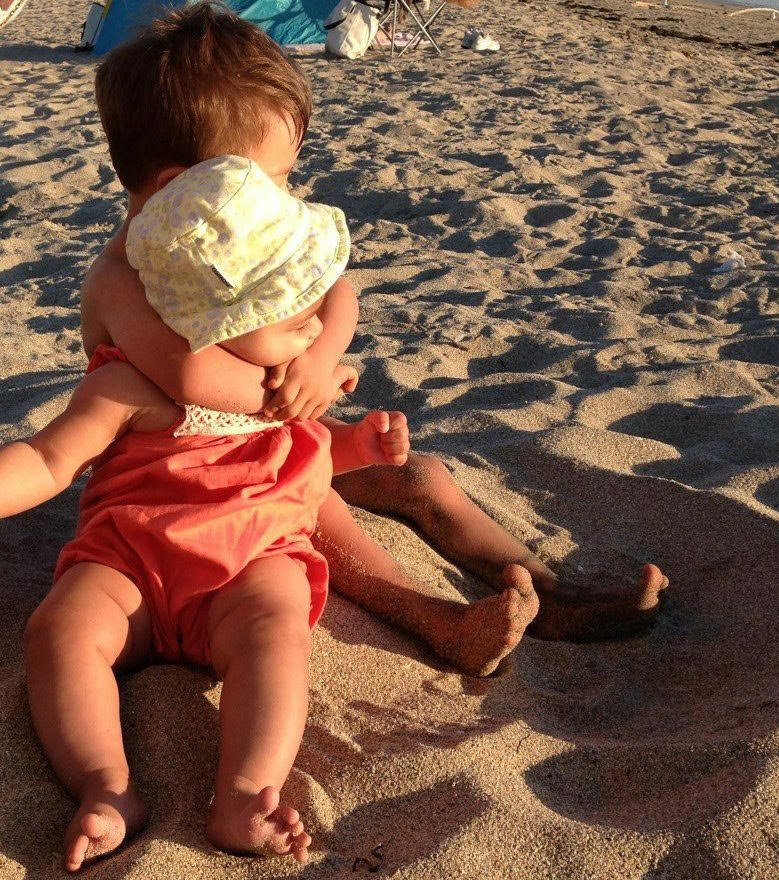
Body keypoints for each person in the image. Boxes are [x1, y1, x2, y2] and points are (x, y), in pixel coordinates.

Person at [81, 2, 666, 665]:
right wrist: (302, 387)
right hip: (197, 472)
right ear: (179, 186)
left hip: (275, 435)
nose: (287, 197)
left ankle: (549, 592)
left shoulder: (238, 233)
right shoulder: (118, 281)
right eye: (272, 182)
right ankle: (436, 619)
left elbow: (338, 292)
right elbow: (191, 378)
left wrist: (321, 357)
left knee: (420, 476)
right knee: (321, 510)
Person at [14, 153, 429, 870]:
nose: (311, 336)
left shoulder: (284, 394)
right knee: (60, 629)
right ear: (215, 324)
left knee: (277, 631)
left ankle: (245, 792)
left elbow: (307, 455)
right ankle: (105, 786)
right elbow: (48, 460)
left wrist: (359, 445)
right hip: (129, 569)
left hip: (248, 569)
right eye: (295, 318)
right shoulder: (131, 385)